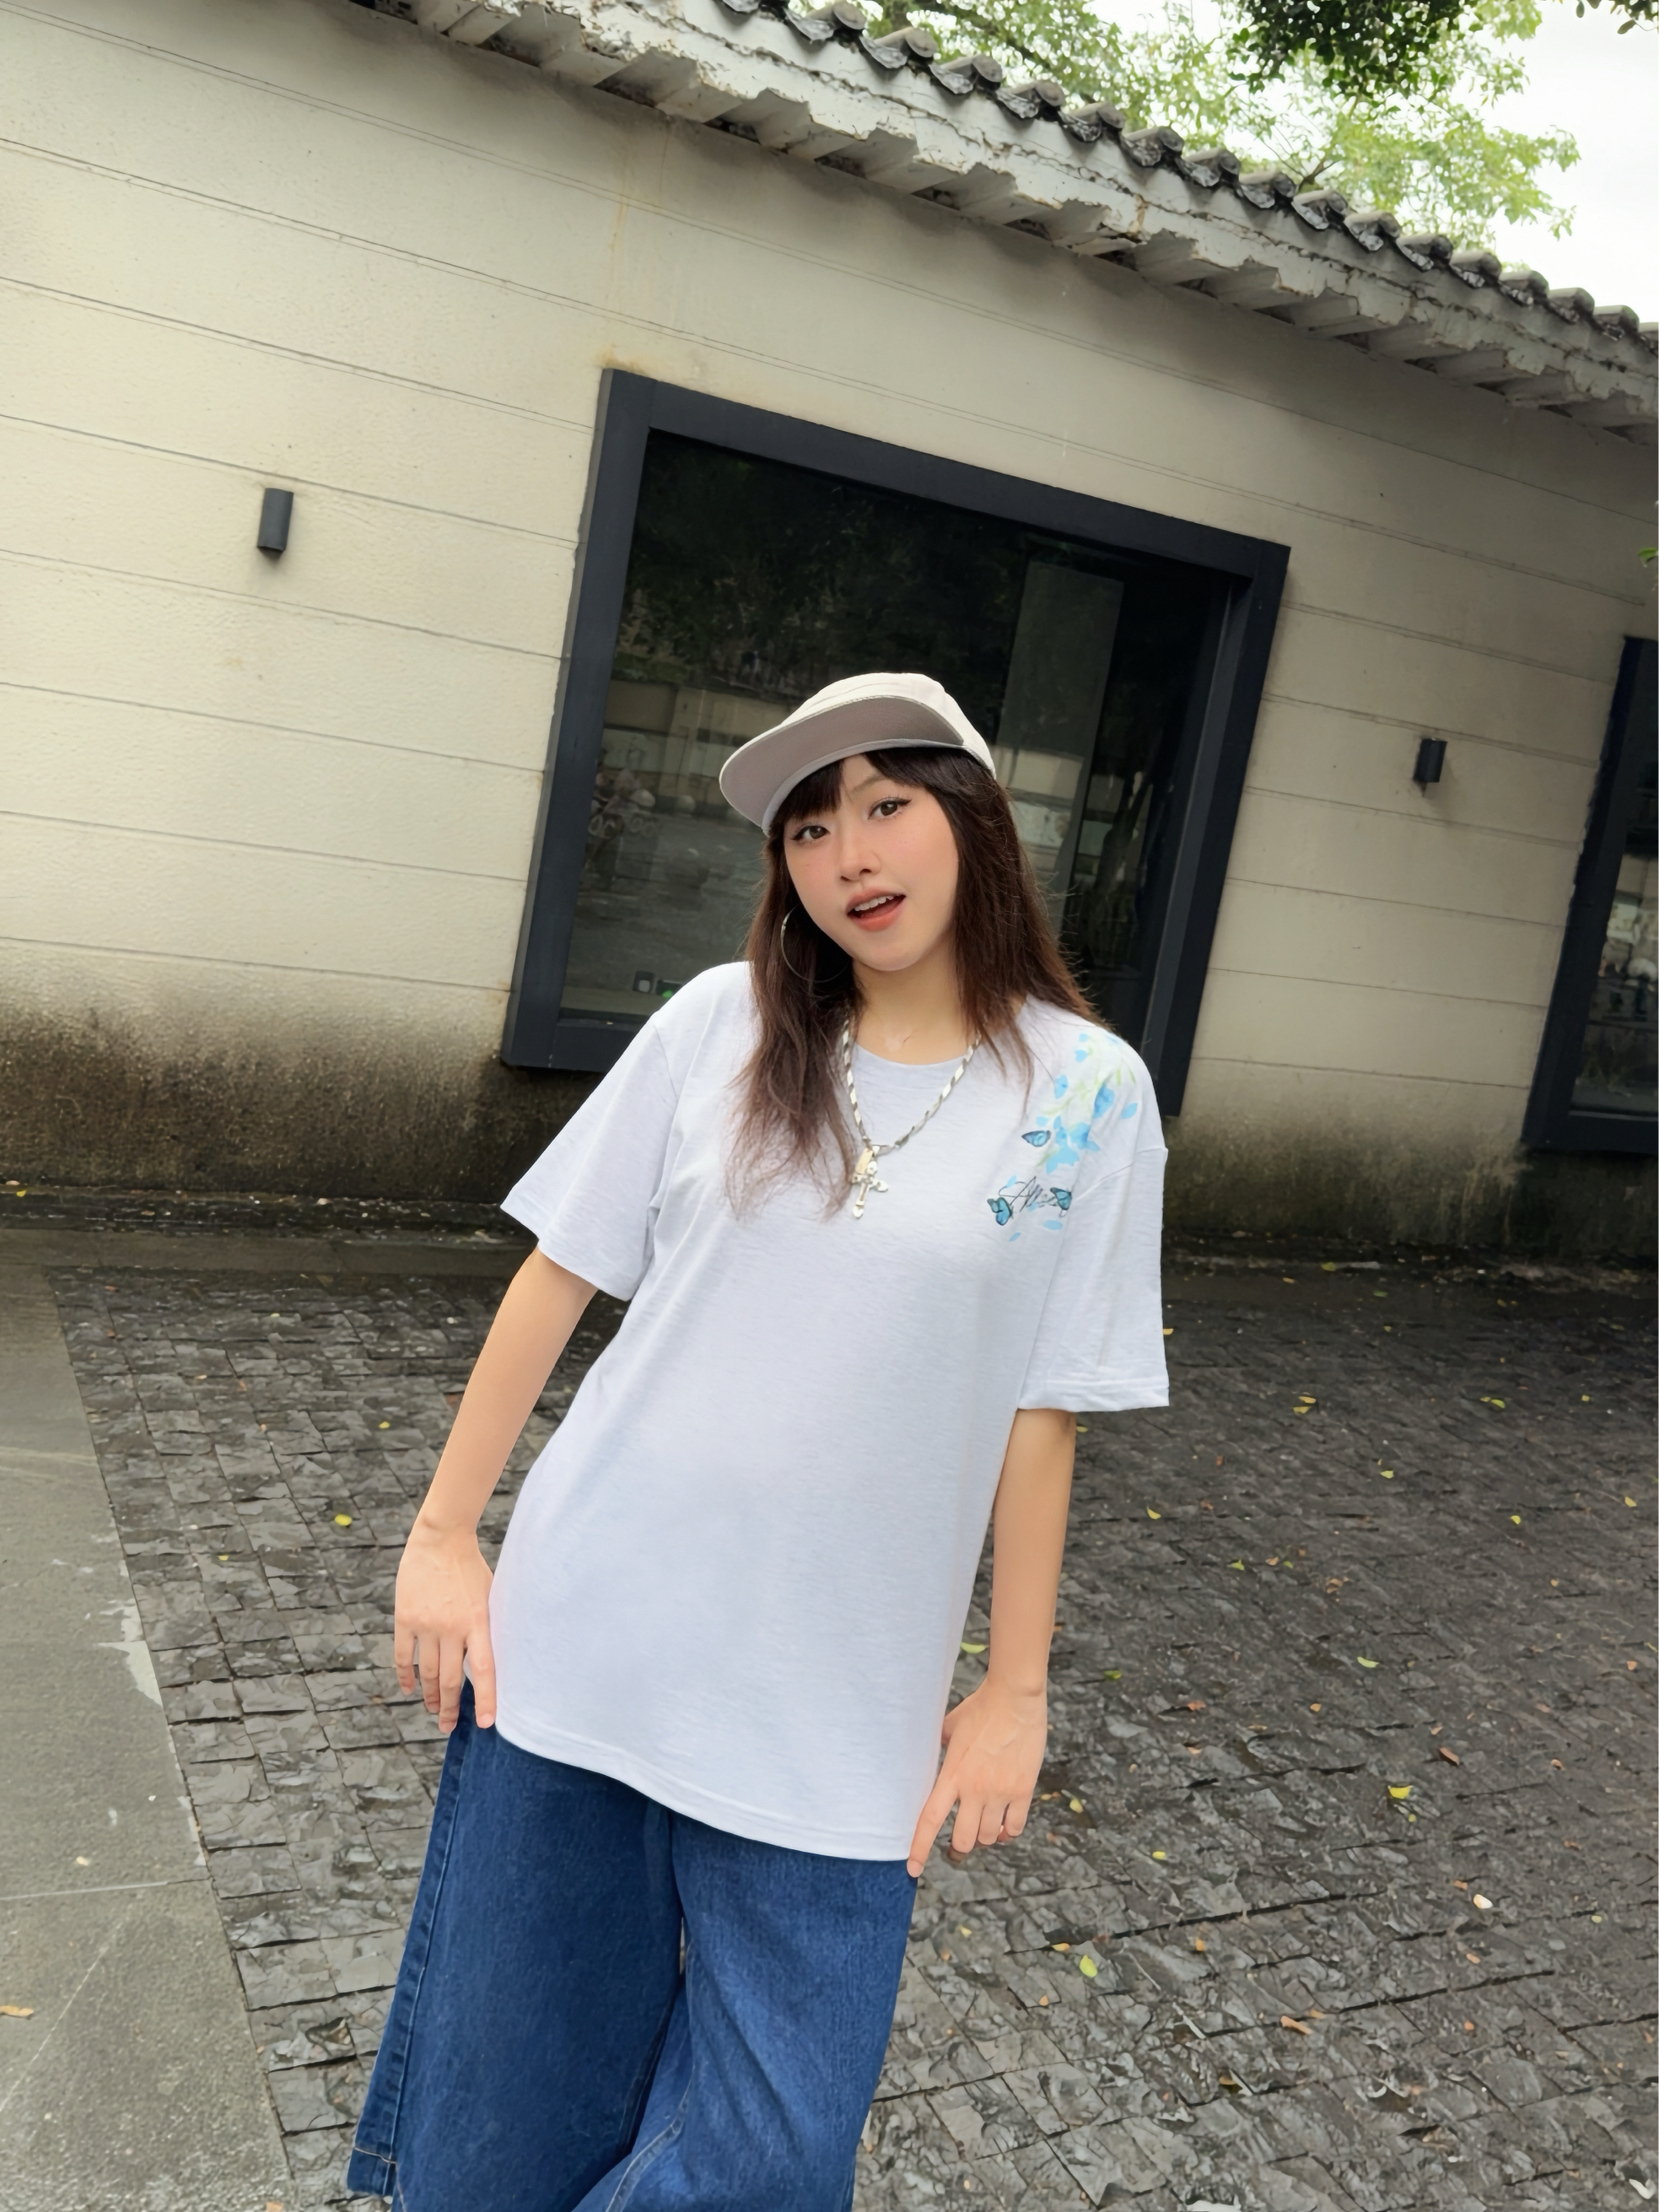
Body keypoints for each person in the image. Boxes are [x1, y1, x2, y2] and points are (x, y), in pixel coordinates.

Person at [347, 672, 1169, 2212]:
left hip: (839, 1705)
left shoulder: (1087, 1094)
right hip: (586, 1647)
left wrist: (1015, 1687)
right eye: (808, 828)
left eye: (886, 805)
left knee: (772, 2155)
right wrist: (444, 1534)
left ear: (974, 821)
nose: (849, 854)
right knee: (507, 2119)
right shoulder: (718, 1027)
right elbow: (559, 1274)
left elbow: (1043, 1408)